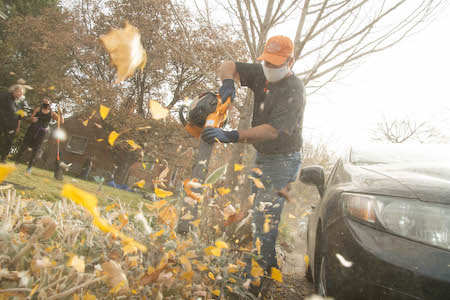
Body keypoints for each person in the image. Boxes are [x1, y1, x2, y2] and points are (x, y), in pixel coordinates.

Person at [201, 36, 306, 296]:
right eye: (267, 62)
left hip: (283, 160)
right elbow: (228, 64)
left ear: (290, 61)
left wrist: (233, 135)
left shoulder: (294, 89)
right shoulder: (262, 72)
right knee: (258, 214)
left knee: (264, 220)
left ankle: (254, 286)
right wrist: (228, 82)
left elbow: (272, 131)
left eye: (276, 63)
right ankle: (266, 266)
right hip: (264, 157)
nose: (270, 68)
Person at [15, 97, 63, 173]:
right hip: (32, 129)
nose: (44, 104)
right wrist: (33, 119)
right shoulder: (38, 109)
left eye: (46, 102)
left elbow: (61, 122)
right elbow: (31, 118)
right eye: (43, 102)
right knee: (24, 145)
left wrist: (61, 113)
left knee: (36, 149)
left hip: (42, 132)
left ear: (50, 104)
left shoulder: (52, 113)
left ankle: (29, 167)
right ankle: (16, 162)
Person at [0, 81, 31, 163]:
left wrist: (18, 126)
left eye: (22, 92)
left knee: (9, 142)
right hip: (1, 122)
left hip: (12, 125)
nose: (20, 94)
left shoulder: (21, 102)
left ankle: (3, 159)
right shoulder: (3, 96)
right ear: (13, 90)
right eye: (19, 91)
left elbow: (20, 116)